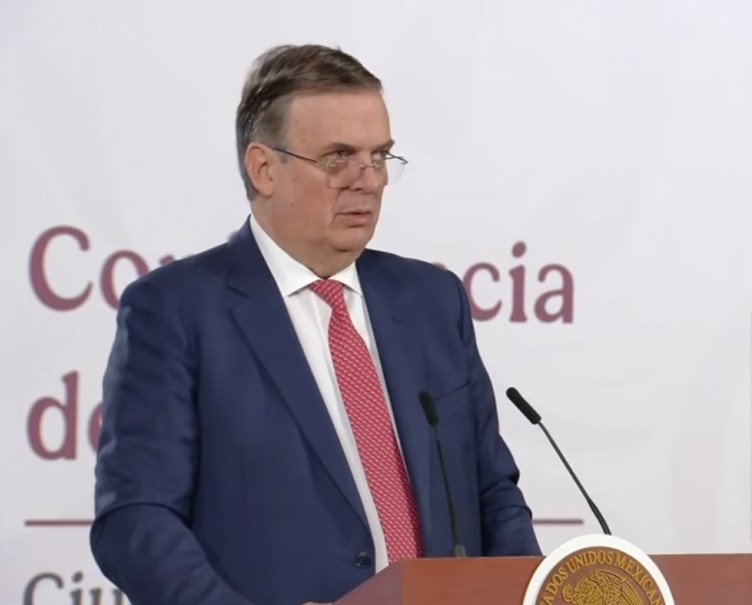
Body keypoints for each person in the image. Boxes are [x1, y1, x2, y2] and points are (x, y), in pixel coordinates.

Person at [90, 43, 541, 605]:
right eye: (338, 158)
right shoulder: (175, 310)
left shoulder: (431, 300)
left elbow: (492, 492)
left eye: (379, 156)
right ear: (263, 168)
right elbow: (135, 519)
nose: (367, 181)